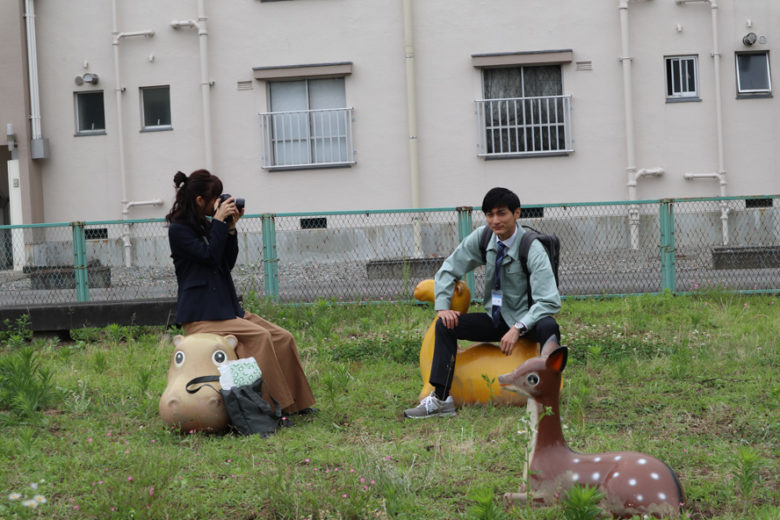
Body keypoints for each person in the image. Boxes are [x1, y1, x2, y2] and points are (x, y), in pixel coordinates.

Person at [166, 169, 315, 414]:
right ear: (199, 200)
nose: (220, 202)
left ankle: (298, 404)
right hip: (202, 316)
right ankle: (271, 407)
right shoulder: (179, 230)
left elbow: (226, 263)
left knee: (282, 337)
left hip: (225, 309)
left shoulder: (205, 226)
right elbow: (209, 256)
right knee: (261, 337)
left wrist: (230, 228)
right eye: (214, 198)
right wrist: (217, 224)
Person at [404, 187, 561, 419]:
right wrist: (443, 307)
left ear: (517, 213)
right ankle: (441, 399)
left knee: (549, 326)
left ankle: (547, 392)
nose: (495, 221)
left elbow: (549, 300)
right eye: (489, 214)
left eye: (501, 214)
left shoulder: (532, 248)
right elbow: (448, 269)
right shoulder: (484, 237)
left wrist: (518, 328)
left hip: (525, 321)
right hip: (495, 318)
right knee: (444, 325)